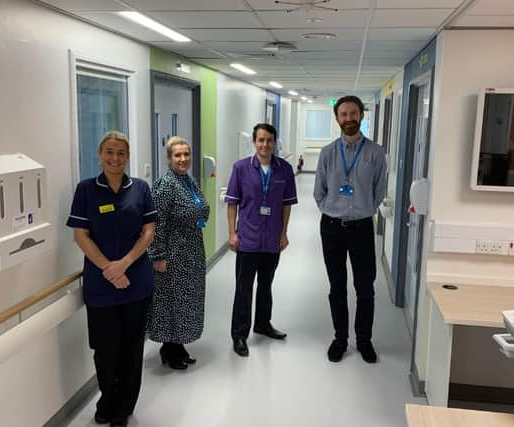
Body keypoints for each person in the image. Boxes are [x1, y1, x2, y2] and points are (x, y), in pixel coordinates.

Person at [66, 131, 157, 427]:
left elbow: (148, 232)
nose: (115, 158)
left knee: (131, 348)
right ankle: (107, 399)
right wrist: (109, 268)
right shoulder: (86, 190)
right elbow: (81, 235)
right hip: (101, 284)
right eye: (109, 152)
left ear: (127, 156)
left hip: (136, 282)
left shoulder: (140, 189)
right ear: (99, 154)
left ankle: (123, 407)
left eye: (120, 153)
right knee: (105, 349)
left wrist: (125, 263)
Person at [313, 95, 387, 363]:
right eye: (343, 114)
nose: (348, 119)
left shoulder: (376, 153)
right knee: (337, 286)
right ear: (337, 119)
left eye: (353, 113)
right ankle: (340, 339)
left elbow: (379, 192)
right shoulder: (328, 153)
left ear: (361, 116)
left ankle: (364, 340)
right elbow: (318, 192)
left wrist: (360, 210)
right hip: (331, 228)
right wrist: (333, 210)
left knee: (365, 288)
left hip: (362, 229)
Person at [225, 123, 298, 357]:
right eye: (260, 140)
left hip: (271, 240)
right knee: (243, 288)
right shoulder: (241, 168)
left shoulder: (284, 169)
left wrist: (284, 233)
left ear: (274, 142)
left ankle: (263, 324)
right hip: (248, 238)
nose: (265, 144)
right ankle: (239, 335)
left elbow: (286, 205)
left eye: (269, 140)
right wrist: (232, 233)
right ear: (254, 142)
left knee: (266, 286)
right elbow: (232, 203)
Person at [147, 136, 210, 370]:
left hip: (191, 252)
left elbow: (200, 208)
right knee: (171, 302)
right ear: (169, 158)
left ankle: (178, 345)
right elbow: (157, 223)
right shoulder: (165, 184)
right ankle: (169, 348)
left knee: (187, 302)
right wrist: (158, 256)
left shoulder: (187, 181)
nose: (183, 159)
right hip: (172, 256)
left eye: (186, 154)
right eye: (178, 155)